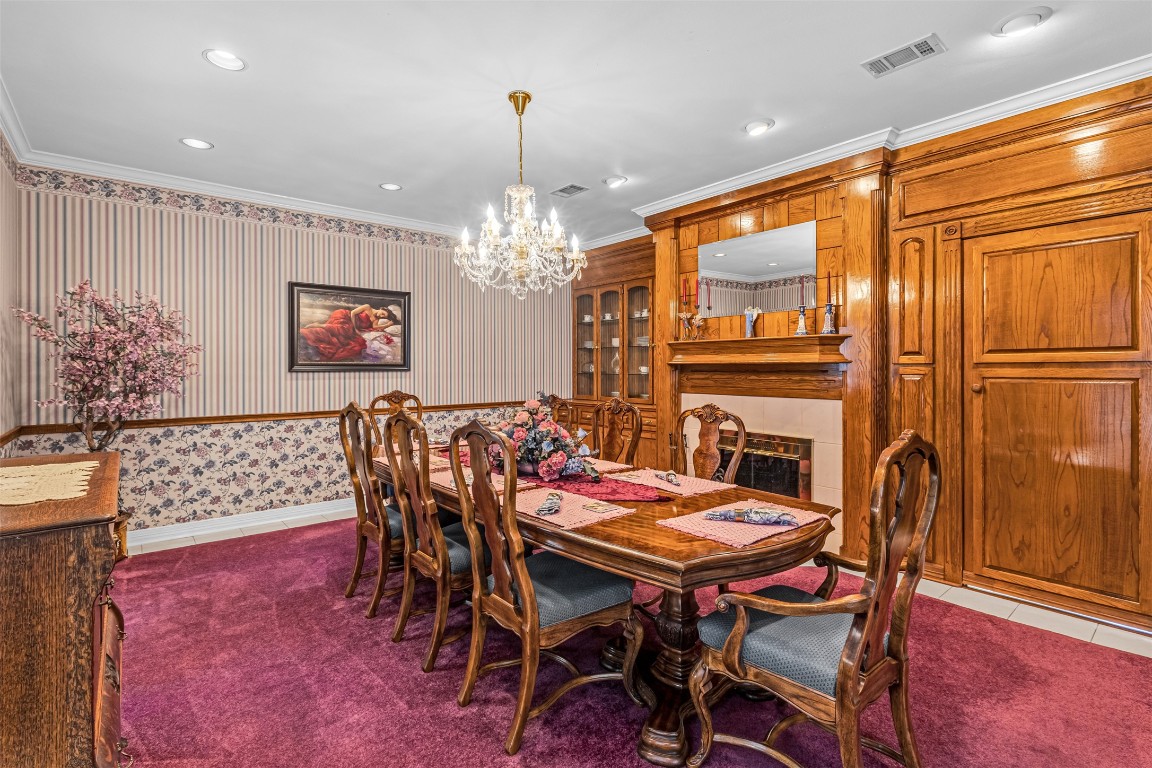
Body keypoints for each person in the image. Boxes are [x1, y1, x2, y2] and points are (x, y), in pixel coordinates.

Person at [299, 303, 392, 361]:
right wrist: (355, 328)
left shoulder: (375, 320)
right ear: (382, 309)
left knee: (345, 338)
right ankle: (318, 325)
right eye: (383, 313)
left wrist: (387, 325)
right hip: (345, 316)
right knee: (344, 329)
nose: (381, 316)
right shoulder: (368, 307)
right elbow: (353, 313)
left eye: (383, 317)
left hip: (349, 325)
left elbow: (375, 327)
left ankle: (319, 327)